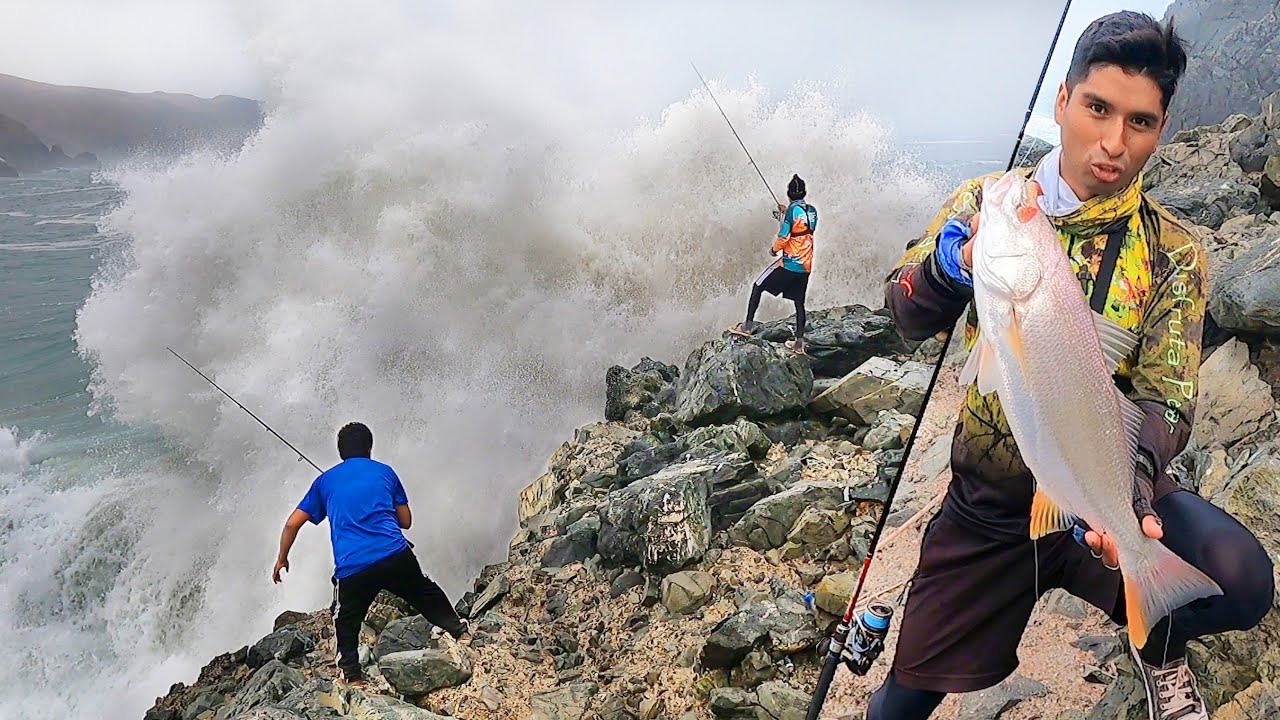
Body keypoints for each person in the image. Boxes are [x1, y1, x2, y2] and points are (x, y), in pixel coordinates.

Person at [872, 12, 1273, 720]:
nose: (1114, 144)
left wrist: (1135, 497)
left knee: (1241, 580)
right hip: (990, 509)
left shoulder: (1174, 250)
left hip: (1107, 492)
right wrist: (947, 266)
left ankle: (1157, 641)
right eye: (1097, 108)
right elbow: (905, 312)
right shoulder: (990, 204)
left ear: (1162, 128)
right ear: (1062, 100)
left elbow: (1167, 398)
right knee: (900, 704)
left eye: (1141, 122)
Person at [272, 422, 469, 685]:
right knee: (425, 592)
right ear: (370, 448)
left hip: (354, 568)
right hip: (395, 555)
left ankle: (353, 677)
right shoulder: (385, 472)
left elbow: (291, 523)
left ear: (341, 452)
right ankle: (457, 628)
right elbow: (406, 521)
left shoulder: (324, 482)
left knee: (345, 620)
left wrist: (282, 557)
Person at [729, 174, 817, 354]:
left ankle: (746, 326)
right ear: (804, 193)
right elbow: (802, 227)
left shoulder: (792, 211)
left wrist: (774, 250)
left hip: (789, 264)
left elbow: (785, 236)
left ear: (788, 193)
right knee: (799, 303)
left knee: (758, 285)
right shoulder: (812, 211)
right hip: (806, 265)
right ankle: (799, 344)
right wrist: (786, 212)